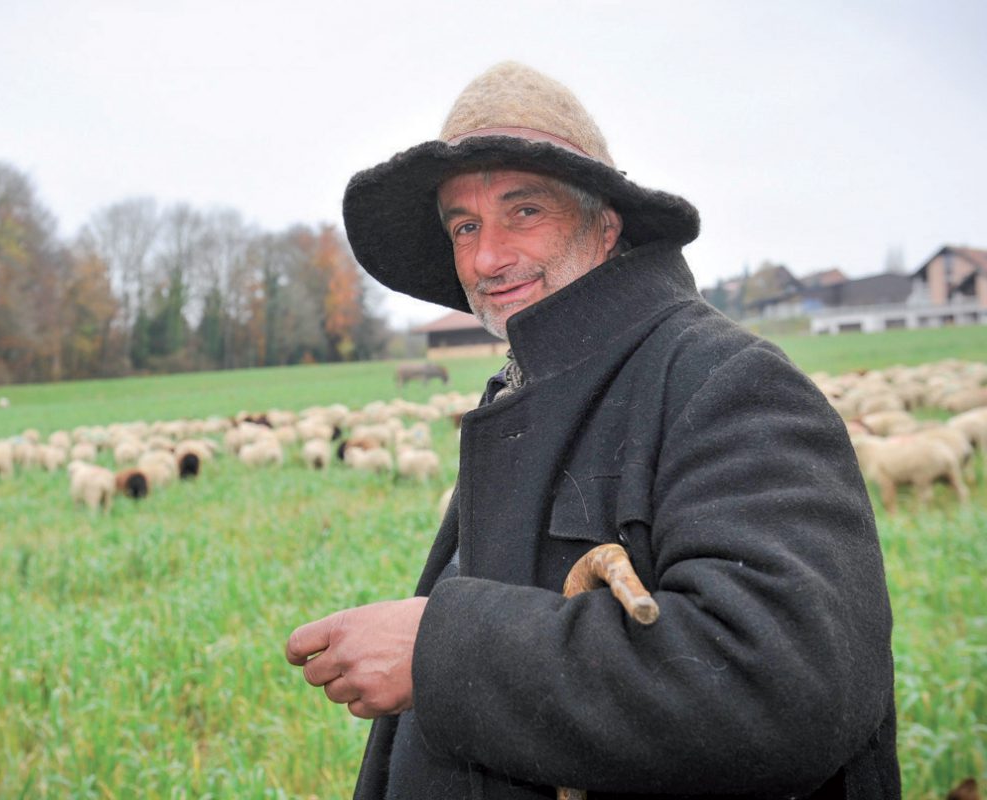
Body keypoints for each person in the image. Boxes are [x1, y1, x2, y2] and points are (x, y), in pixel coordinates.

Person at [285, 62, 898, 800]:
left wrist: (437, 654)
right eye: (465, 225)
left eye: (524, 212)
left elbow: (786, 684)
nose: (486, 257)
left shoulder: (724, 382)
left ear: (605, 226)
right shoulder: (528, 393)